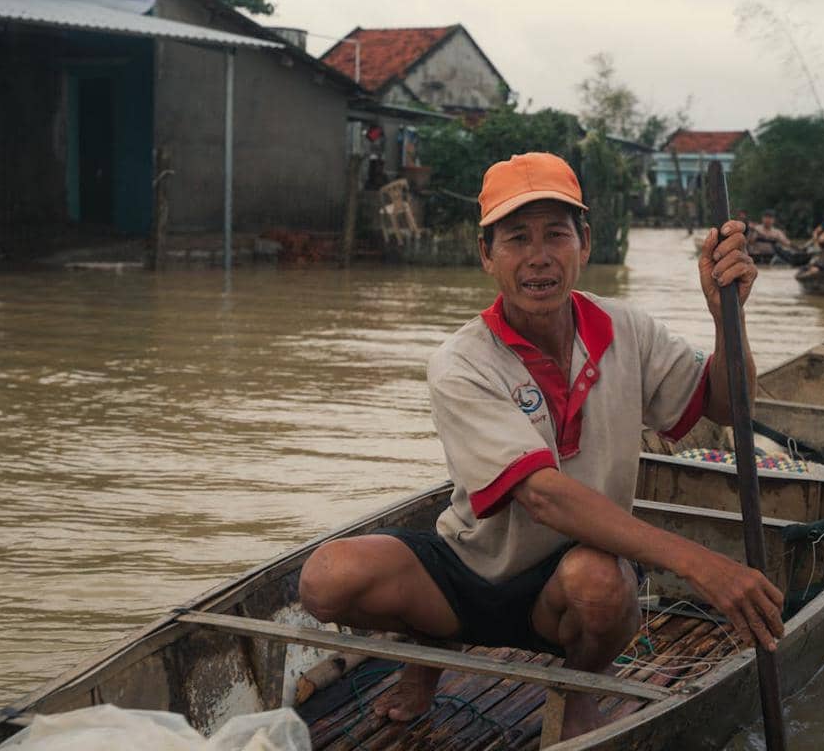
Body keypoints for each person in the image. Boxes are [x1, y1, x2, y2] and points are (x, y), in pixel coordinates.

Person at [298, 152, 784, 740]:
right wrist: (697, 562)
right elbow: (543, 497)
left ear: (583, 243)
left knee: (602, 584)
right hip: (468, 569)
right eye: (515, 239)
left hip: (568, 583)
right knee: (325, 577)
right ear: (486, 255)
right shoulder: (462, 362)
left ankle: (581, 685)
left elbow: (730, 407)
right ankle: (427, 648)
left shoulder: (624, 329)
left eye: (556, 234)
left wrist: (725, 317)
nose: (538, 257)